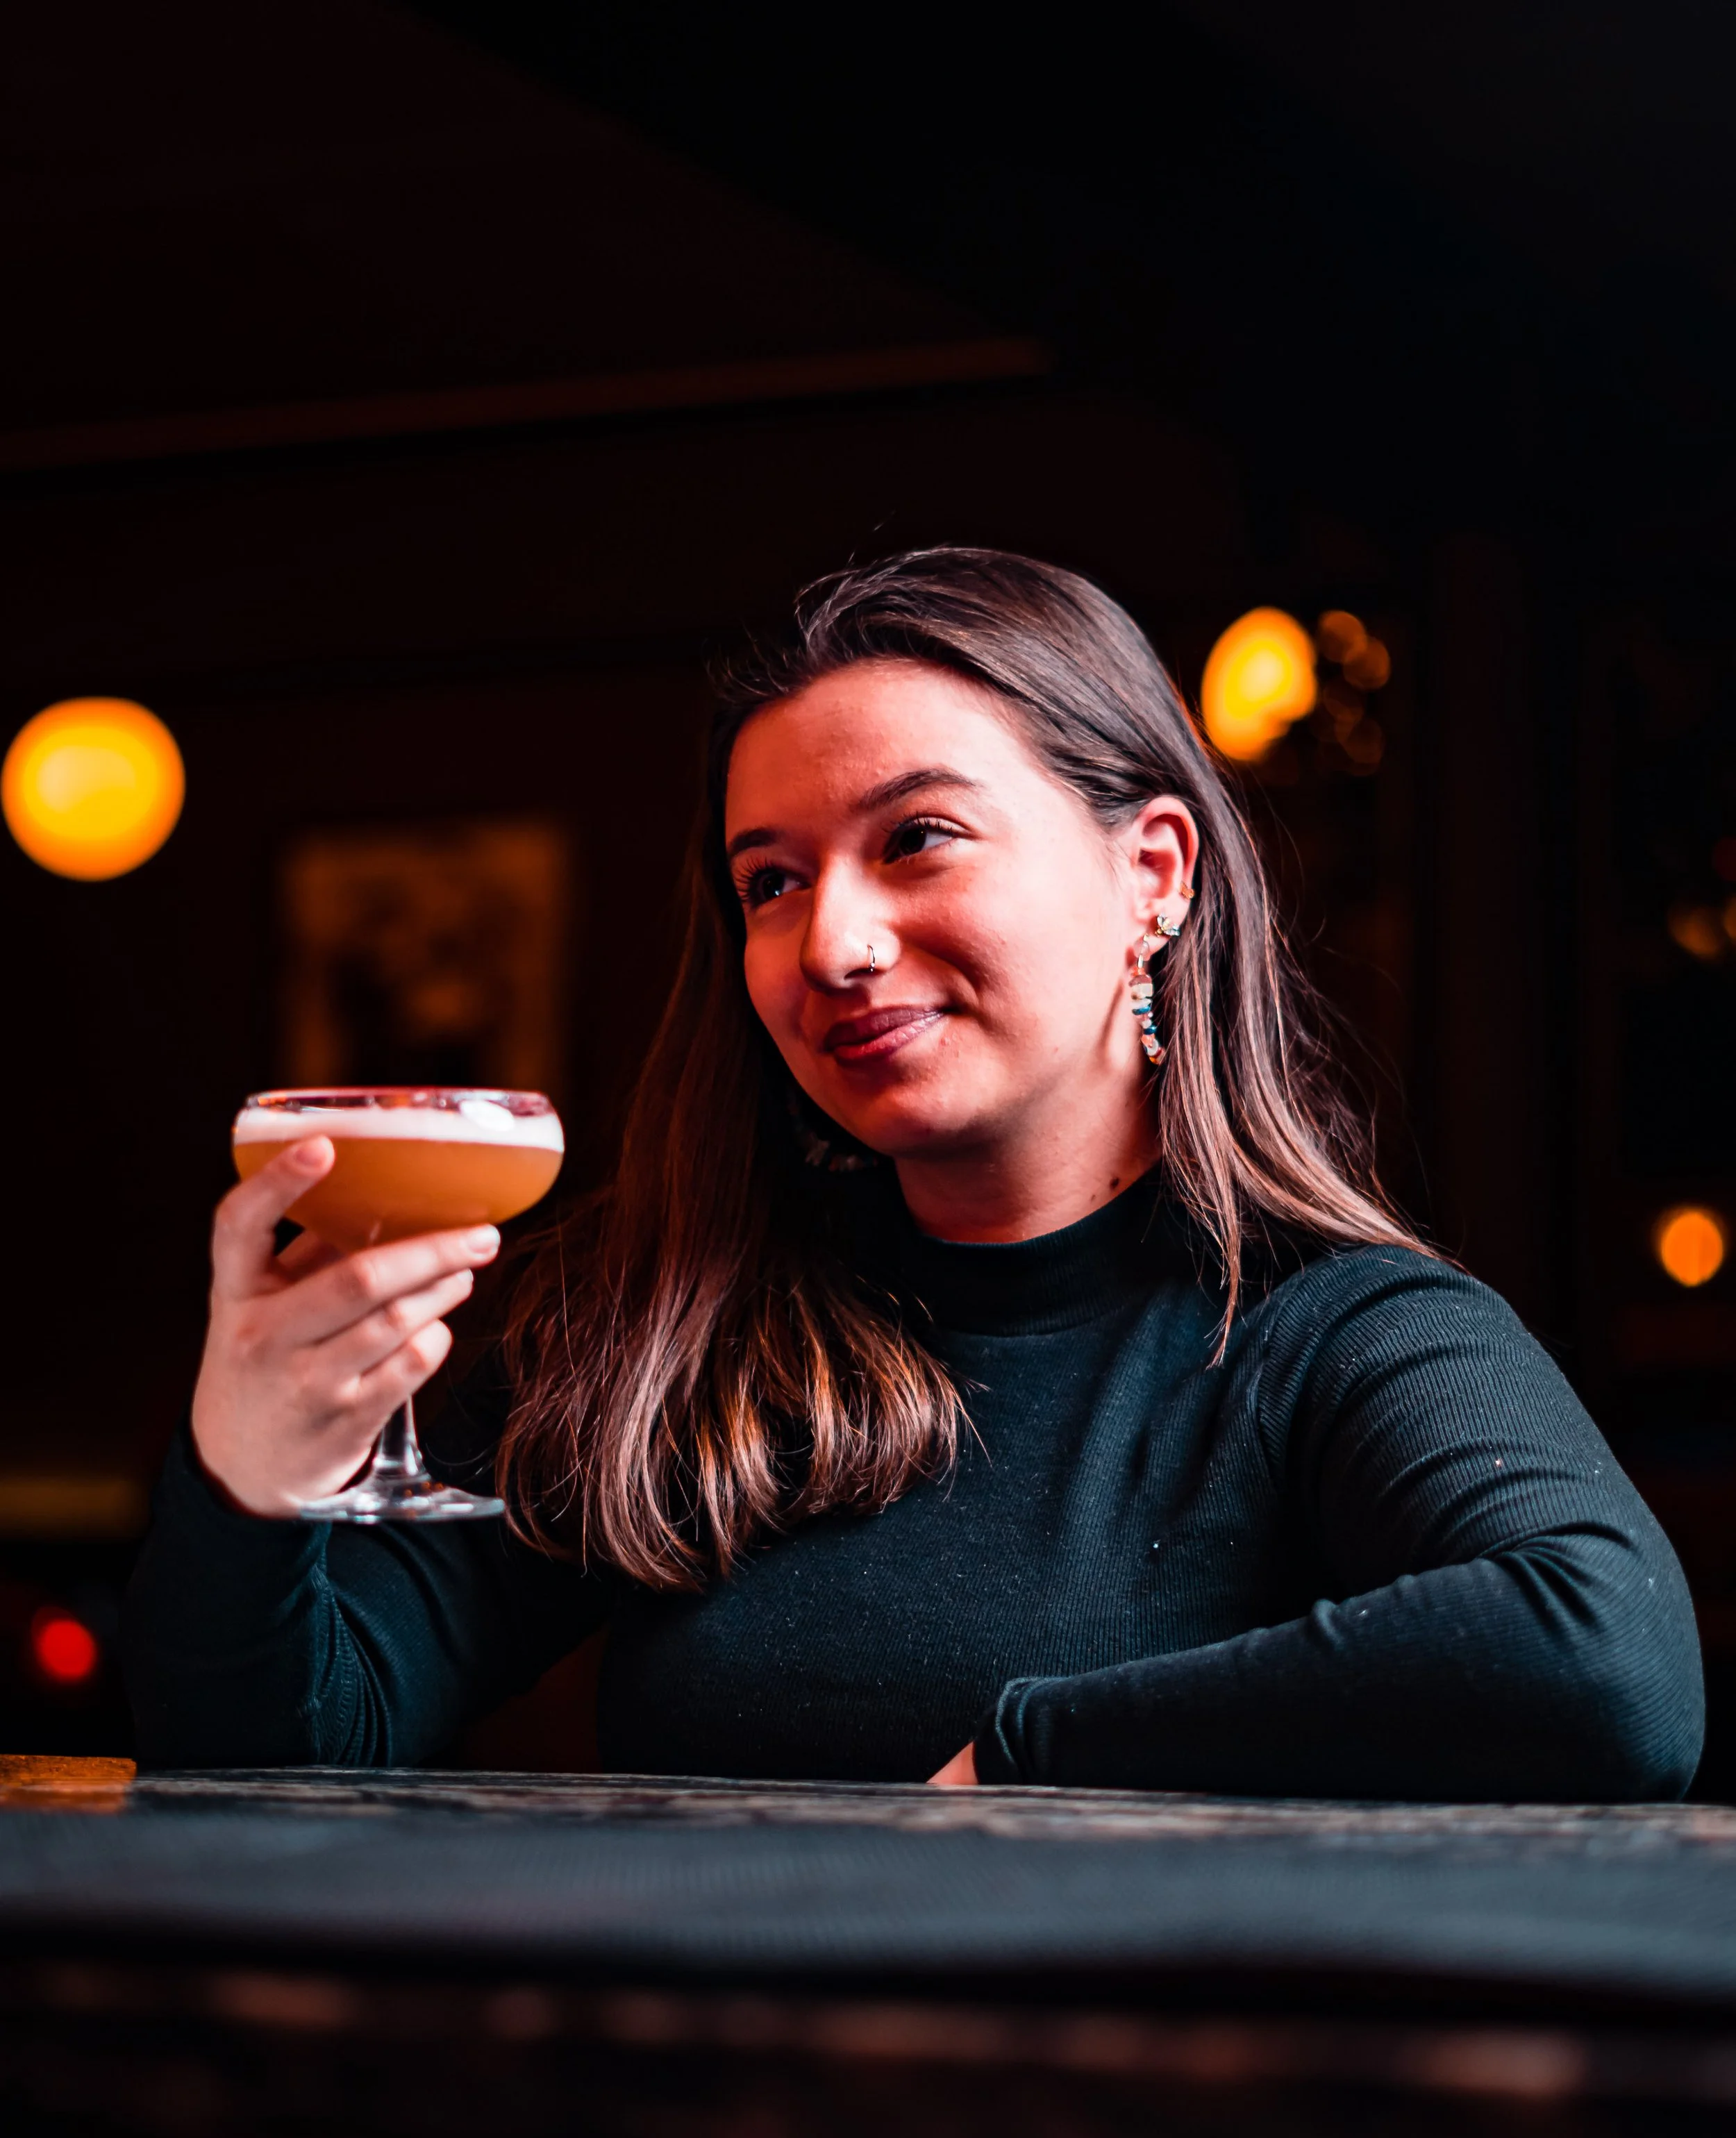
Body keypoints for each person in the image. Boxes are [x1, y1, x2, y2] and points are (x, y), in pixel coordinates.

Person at [124, 549, 1703, 1796]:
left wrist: (1030, 1761)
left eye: (919, 838)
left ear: (1148, 874)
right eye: (770, 880)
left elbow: (1602, 1663)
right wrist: (246, 1482)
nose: (834, 944)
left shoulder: (1333, 1331)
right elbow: (283, 1763)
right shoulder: (666, 1321)